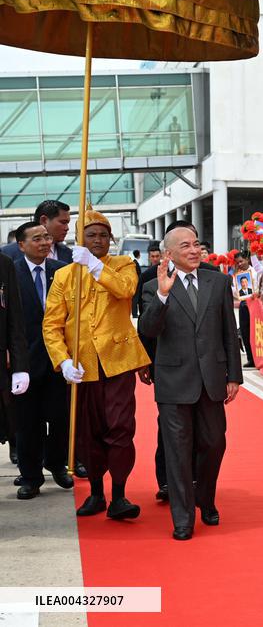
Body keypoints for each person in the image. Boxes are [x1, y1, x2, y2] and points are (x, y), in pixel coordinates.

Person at [41, 209, 150, 520]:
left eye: (103, 235)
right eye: (91, 235)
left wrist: (95, 266)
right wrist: (62, 360)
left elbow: (126, 290)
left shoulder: (123, 265)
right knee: (88, 432)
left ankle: (120, 496)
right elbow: (52, 325)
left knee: (120, 427)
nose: (98, 240)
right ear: (80, 238)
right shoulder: (64, 275)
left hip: (118, 362)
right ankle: (97, 494)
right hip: (82, 365)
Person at [138, 225, 242, 540]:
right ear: (169, 254)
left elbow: (229, 330)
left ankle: (205, 499)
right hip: (173, 381)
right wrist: (162, 295)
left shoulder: (218, 281)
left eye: (196, 244)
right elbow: (148, 330)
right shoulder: (153, 286)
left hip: (212, 379)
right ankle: (182, 518)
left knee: (214, 443)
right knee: (178, 451)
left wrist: (234, 375)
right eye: (186, 246)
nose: (194, 250)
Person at [11, 222, 71, 499]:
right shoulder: (11, 272)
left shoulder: (62, 271)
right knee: (27, 423)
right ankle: (31, 477)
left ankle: (57, 464)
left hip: (60, 360)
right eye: (37, 239)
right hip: (25, 360)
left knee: (60, 418)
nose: (45, 242)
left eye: (46, 237)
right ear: (21, 245)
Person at [0, 251, 29, 469]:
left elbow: (14, 318)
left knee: (8, 408)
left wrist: (19, 363)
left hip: (2, 354)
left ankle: (14, 442)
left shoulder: (4, 264)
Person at [1, 200, 72, 264]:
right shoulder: (7, 254)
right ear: (44, 220)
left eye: (67, 223)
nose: (67, 228)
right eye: (63, 222)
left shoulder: (70, 255)